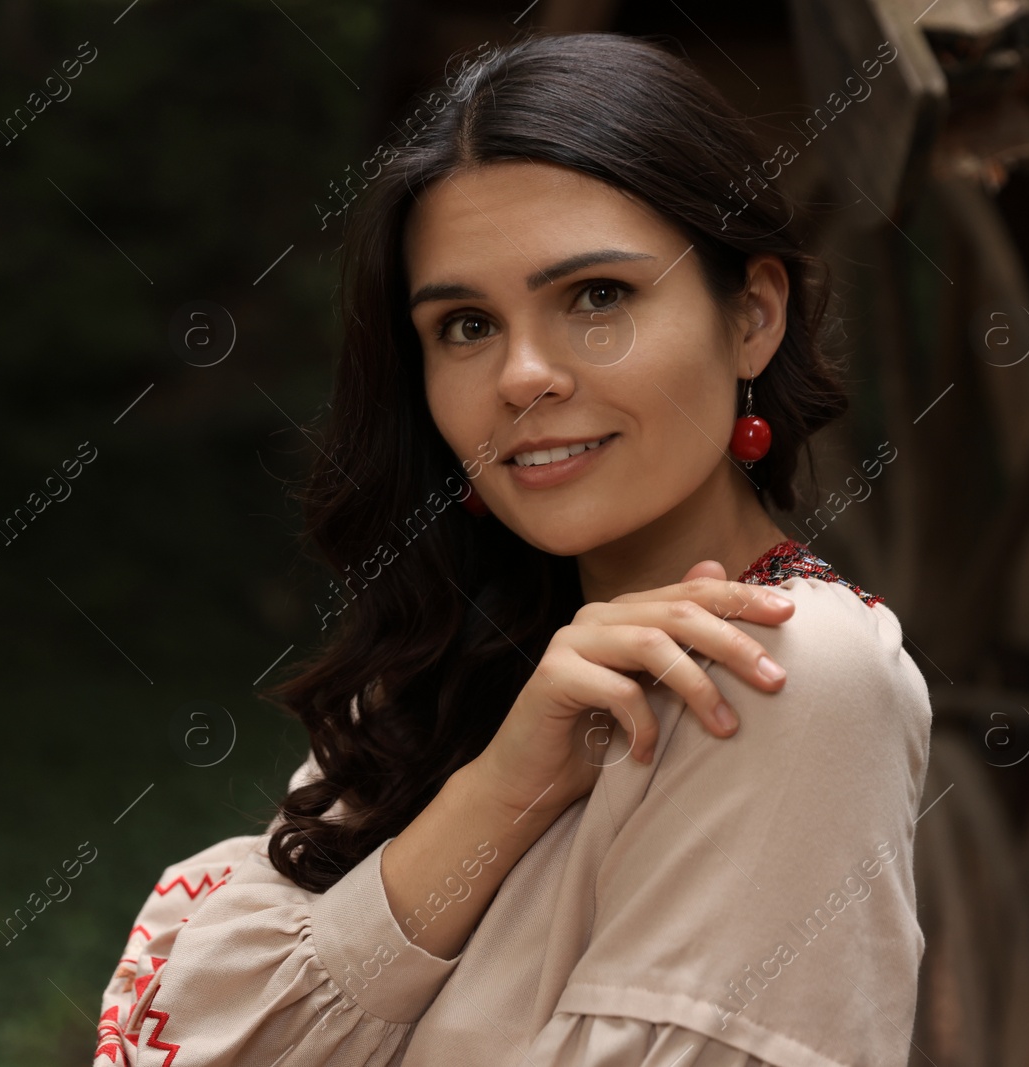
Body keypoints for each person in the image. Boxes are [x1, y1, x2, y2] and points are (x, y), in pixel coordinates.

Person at [94, 30, 931, 1067]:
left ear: (752, 316)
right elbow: (181, 1040)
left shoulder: (786, 671)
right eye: (464, 324)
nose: (522, 375)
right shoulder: (456, 677)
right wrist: (502, 788)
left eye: (597, 297)